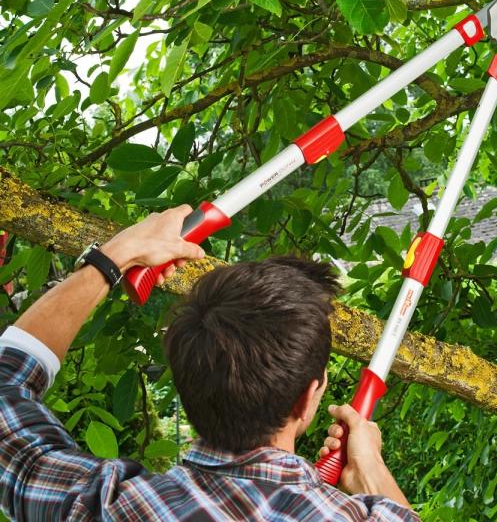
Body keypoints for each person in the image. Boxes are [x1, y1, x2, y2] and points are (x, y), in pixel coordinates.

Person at [0, 205, 419, 521]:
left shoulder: (117, 509)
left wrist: (118, 254)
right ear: (308, 398)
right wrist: (375, 477)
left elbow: (5, 393)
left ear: (186, 381)